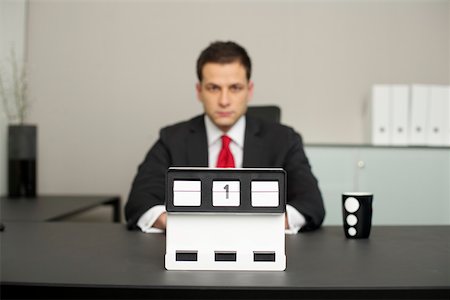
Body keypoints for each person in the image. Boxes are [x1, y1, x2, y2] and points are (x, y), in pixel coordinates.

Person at [125, 41, 325, 233]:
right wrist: (182, 226)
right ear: (199, 91)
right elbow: (139, 201)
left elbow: (311, 204)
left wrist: (263, 227)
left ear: (249, 90)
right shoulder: (173, 139)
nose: (224, 101)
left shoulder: (284, 139)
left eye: (235, 88)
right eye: (213, 88)